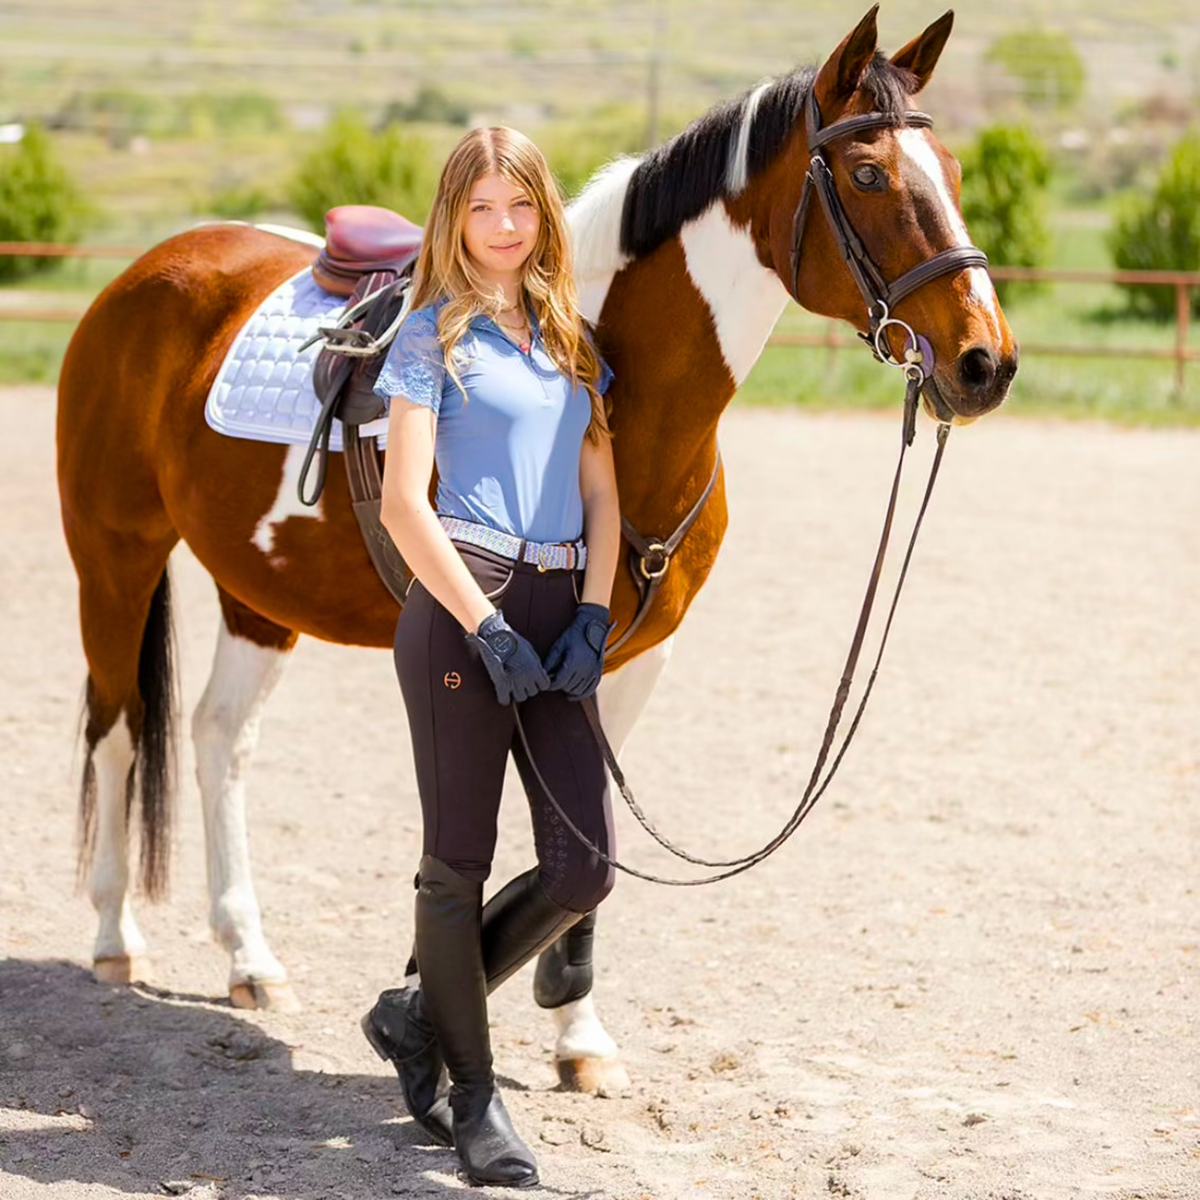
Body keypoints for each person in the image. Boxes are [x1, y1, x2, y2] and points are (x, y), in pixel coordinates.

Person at [358, 126, 620, 1189]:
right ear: (452, 220)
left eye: (520, 207)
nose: (503, 228)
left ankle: (419, 1013)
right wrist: (487, 623)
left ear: (543, 215)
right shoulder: (427, 337)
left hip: (564, 604)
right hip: (464, 606)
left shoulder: (574, 337)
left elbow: (603, 491)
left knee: (584, 865)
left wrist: (595, 613)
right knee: (457, 860)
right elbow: (400, 501)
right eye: (481, 209)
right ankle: (474, 1098)